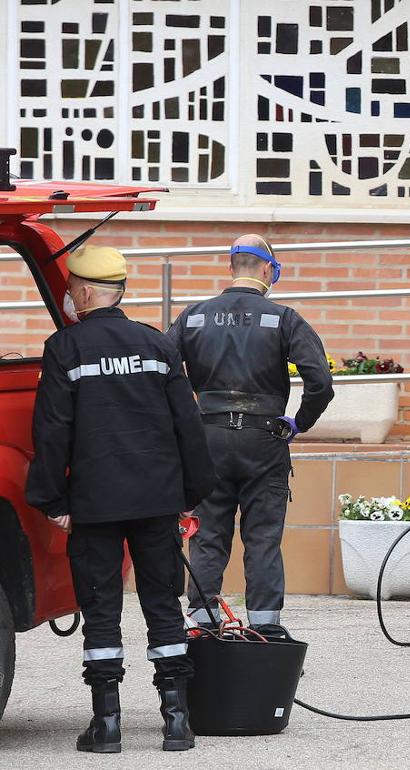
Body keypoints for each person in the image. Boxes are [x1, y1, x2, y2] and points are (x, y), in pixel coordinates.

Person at [26, 245, 215, 752]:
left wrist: (53, 500)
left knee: (101, 607)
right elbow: (187, 425)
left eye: (69, 290)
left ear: (84, 292)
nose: (68, 298)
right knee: (162, 602)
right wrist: (191, 493)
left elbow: (52, 431)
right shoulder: (154, 345)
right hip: (156, 499)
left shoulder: (65, 349)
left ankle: (106, 725)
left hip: (95, 501)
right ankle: (176, 721)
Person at [166, 234, 333, 633]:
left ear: (231, 267)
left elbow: (162, 376)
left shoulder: (193, 317)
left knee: (207, 536)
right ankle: (266, 629)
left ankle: (203, 628)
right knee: (262, 538)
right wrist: (300, 422)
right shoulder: (283, 318)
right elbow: (321, 381)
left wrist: (185, 427)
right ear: (266, 270)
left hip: (208, 440)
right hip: (264, 440)